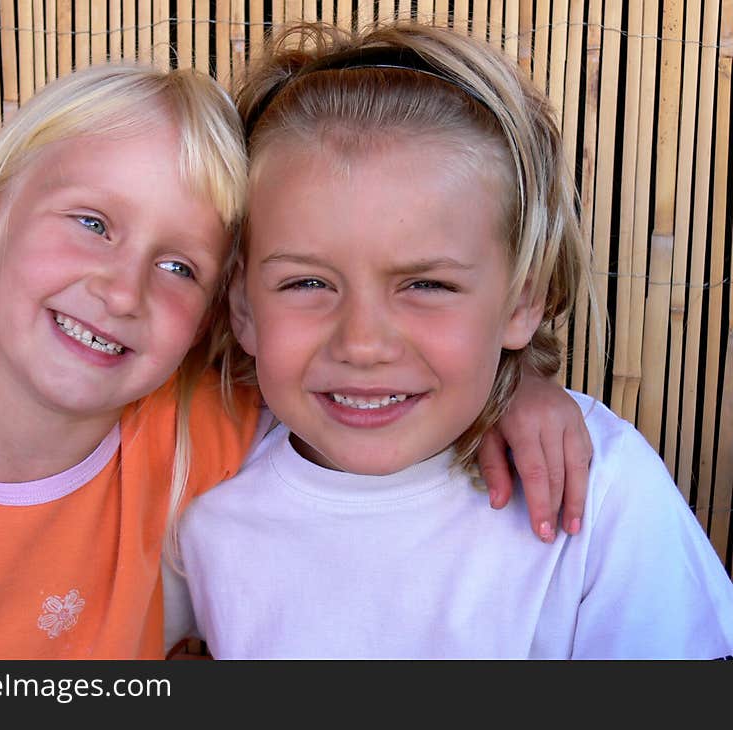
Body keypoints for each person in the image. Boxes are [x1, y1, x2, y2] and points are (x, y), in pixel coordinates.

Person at [0, 58, 591, 660]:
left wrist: (512, 381)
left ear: (222, 308)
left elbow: (367, 377)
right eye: (92, 222)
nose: (121, 291)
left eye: (180, 267)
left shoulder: (204, 432)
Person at [165, 21, 733, 659]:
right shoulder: (198, 489)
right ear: (242, 305)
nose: (363, 343)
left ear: (522, 300)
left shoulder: (595, 487)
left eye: (427, 286)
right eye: (306, 283)